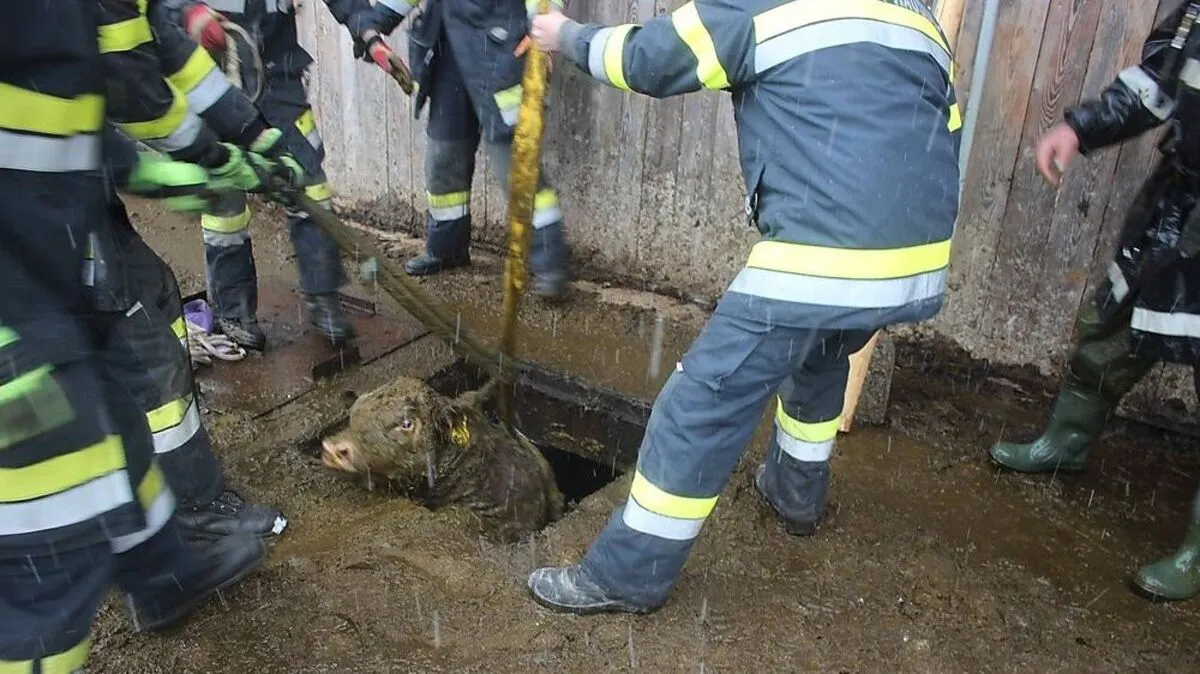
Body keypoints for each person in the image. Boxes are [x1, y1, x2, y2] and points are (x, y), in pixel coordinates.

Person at [524, 0, 961, 614]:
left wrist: (564, 34)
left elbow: (646, 60)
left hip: (827, 252)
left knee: (701, 402)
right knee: (821, 355)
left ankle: (626, 576)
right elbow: (943, 131)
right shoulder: (916, 16)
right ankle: (794, 495)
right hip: (917, 259)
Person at [0, 1, 267, 667]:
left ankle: (163, 573)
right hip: (12, 300)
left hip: (42, 261)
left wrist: (144, 170)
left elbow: (56, 107)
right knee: (49, 555)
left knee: (116, 416)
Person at [988, 1, 1200, 602]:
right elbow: (1156, 81)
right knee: (1112, 324)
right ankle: (1067, 443)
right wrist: (1079, 128)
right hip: (1180, 203)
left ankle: (1196, 552)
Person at [97, 0, 299, 541]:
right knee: (140, 340)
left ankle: (140, 495)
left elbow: (174, 54)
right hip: (32, 196)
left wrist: (253, 131)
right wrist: (208, 159)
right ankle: (190, 513)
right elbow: (135, 96)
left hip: (53, 179)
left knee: (154, 297)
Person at [157, 0, 401, 350]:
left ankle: (322, 297)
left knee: (309, 185)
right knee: (225, 203)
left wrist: (369, 33)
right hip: (210, 77)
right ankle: (233, 312)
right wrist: (186, 12)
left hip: (278, 76)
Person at [363, 0, 572, 298]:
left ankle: (550, 265)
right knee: (444, 158)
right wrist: (374, 24)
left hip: (501, 51)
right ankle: (447, 248)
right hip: (449, 49)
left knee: (517, 168)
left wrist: (543, 25)